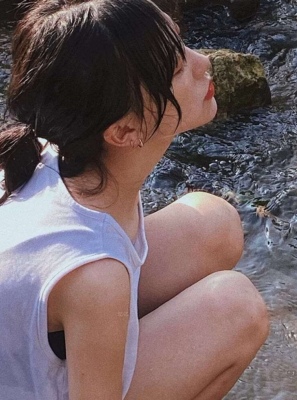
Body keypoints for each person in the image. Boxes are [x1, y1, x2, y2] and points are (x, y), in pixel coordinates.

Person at [0, 0, 269, 398]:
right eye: (177, 69)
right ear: (125, 132)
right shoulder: (96, 274)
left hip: (27, 347)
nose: (203, 62)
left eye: (182, 43)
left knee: (215, 224)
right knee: (237, 308)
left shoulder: (44, 148)